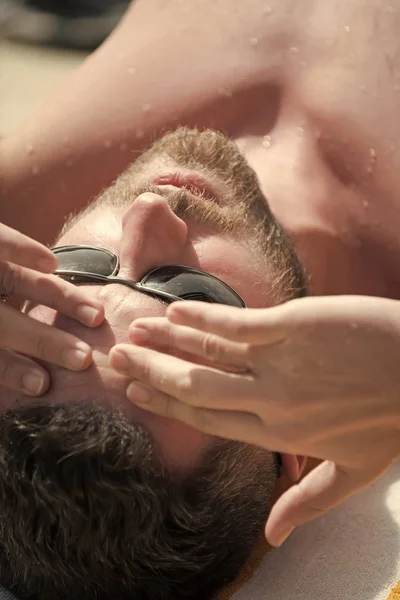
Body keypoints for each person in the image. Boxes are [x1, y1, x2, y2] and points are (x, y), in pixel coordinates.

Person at [0, 127, 307, 600]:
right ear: (294, 428)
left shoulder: (25, 181)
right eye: (196, 293)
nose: (148, 210)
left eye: (78, 266)